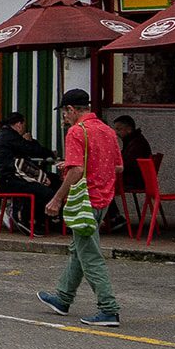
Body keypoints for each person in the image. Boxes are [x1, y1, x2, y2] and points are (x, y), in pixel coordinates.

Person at [38, 89, 122, 327]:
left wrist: (56, 198)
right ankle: (63, 298)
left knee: (90, 255)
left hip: (84, 199)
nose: (64, 118)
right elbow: (118, 167)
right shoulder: (107, 130)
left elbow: (76, 171)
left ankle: (109, 308)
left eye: (64, 113)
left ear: (71, 110)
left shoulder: (77, 132)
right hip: (104, 200)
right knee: (80, 249)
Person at [0, 113, 57, 233]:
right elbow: (31, 150)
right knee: (43, 189)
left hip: (3, 178)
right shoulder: (10, 136)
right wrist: (48, 152)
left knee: (52, 180)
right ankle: (26, 220)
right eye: (23, 125)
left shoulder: (4, 135)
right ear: (19, 124)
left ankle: (41, 220)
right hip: (6, 180)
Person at [111, 115, 153, 193]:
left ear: (129, 129)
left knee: (102, 181)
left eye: (119, 129)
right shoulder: (134, 140)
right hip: (137, 179)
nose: (116, 133)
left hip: (134, 181)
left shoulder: (136, 144)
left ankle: (109, 205)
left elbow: (128, 164)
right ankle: (111, 205)